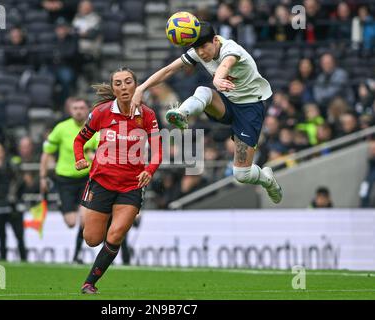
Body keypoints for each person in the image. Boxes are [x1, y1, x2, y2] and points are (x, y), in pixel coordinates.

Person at [131, 22, 282, 204]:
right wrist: (141, 88)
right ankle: (182, 113)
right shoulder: (199, 52)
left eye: (204, 46)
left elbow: (226, 65)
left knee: (241, 174)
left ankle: (267, 179)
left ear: (215, 40)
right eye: (196, 48)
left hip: (249, 108)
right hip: (225, 103)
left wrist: (218, 78)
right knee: (203, 91)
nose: (201, 52)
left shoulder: (230, 49)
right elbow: (169, 69)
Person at [73, 67, 162, 294]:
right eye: (118, 83)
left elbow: (158, 150)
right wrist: (80, 159)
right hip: (101, 182)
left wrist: (150, 170)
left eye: (128, 82)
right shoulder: (102, 112)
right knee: (92, 239)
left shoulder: (147, 114)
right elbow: (79, 141)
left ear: (136, 84)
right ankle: (109, 214)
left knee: (115, 235)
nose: (124, 87)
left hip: (131, 185)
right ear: (113, 88)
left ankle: (89, 283)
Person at [40, 97, 99, 263]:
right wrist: (43, 177)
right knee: (71, 222)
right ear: (70, 110)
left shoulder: (95, 129)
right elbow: (46, 152)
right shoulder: (61, 128)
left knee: (85, 220)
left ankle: (77, 255)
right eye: (75, 108)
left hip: (86, 179)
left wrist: (93, 156)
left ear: (87, 110)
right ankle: (63, 204)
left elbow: (101, 152)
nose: (79, 111)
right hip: (64, 180)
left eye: (82, 107)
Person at [0, 143, 27, 261]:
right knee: (1, 237)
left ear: (3, 152)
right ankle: (3, 259)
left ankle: (24, 259)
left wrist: (13, 196)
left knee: (19, 236)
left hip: (13, 205)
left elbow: (20, 181)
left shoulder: (11, 164)